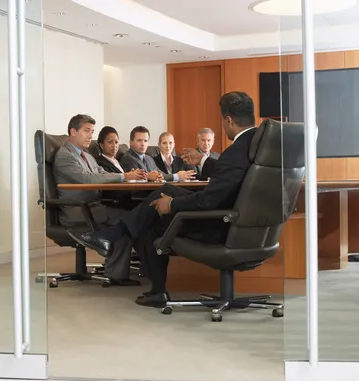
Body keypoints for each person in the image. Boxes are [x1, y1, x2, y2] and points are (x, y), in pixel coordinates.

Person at [68, 92, 258, 307]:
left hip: (221, 222)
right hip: (244, 223)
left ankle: (156, 289)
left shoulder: (235, 151)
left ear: (229, 120)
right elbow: (234, 174)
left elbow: (208, 201)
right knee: (166, 191)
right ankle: (112, 236)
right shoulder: (258, 145)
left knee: (150, 220)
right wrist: (204, 161)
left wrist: (173, 204)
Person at [53, 114, 145, 286]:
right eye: (87, 131)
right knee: (130, 218)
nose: (91, 136)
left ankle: (116, 274)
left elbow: (101, 173)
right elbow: (87, 179)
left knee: (128, 222)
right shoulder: (65, 155)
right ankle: (124, 264)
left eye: (92, 132)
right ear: (73, 131)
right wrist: (123, 177)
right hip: (78, 210)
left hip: (94, 207)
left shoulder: (87, 155)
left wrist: (127, 176)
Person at [95, 126, 140, 210]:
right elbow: (111, 184)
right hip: (120, 201)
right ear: (101, 145)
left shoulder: (118, 161)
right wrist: (128, 177)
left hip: (131, 196)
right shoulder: (100, 163)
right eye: (110, 142)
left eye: (116, 142)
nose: (114, 145)